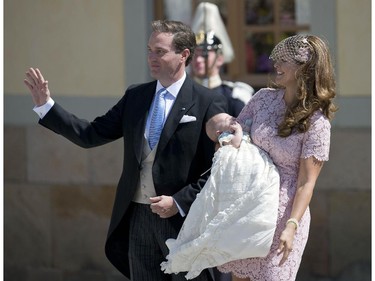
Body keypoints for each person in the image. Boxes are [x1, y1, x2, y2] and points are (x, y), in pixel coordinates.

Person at [23, 20, 228, 281]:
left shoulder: (208, 101)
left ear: (184, 55)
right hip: (137, 218)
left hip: (184, 223)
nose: (151, 58)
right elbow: (90, 134)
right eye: (149, 50)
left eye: (160, 52)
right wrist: (47, 107)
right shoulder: (136, 96)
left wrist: (178, 202)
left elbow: (218, 171)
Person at [217, 34, 338, 281]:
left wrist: (291, 226)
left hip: (283, 216)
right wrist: (227, 140)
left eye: (283, 60)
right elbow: (234, 133)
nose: (275, 65)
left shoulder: (317, 123)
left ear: (304, 68)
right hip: (248, 207)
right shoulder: (262, 98)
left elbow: (306, 182)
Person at [160, 113, 280, 280]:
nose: (233, 120)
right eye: (228, 120)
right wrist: (238, 131)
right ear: (218, 133)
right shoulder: (226, 138)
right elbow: (237, 143)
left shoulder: (234, 130)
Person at [191, 2, 254, 117]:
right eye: (195, 54)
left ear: (219, 59)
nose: (198, 59)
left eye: (204, 54)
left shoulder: (234, 96)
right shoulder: (183, 93)